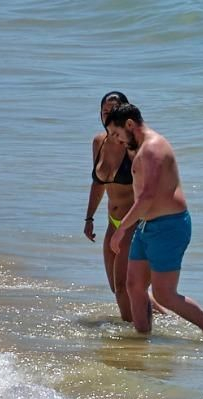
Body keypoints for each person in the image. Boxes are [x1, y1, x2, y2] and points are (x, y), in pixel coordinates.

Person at [105, 104, 203, 338]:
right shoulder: (140, 148)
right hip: (146, 226)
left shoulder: (152, 148)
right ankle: (141, 341)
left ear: (130, 124)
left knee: (165, 295)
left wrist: (121, 230)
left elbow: (147, 197)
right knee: (134, 286)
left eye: (117, 133)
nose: (117, 140)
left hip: (169, 226)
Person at [84, 91, 142, 324]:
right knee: (116, 287)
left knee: (122, 286)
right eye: (104, 111)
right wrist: (89, 218)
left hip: (133, 222)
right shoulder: (98, 142)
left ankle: (134, 334)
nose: (107, 116)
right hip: (112, 222)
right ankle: (163, 317)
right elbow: (98, 184)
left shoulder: (133, 147)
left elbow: (148, 189)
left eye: (113, 111)